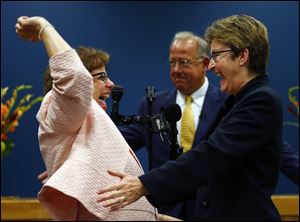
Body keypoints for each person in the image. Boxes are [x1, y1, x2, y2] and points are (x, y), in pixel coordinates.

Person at [97, 14, 284, 220]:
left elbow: (211, 155)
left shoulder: (260, 101)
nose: (212, 66)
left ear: (242, 56)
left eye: (217, 56)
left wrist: (144, 185)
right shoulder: (240, 100)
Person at [15, 16, 158, 221]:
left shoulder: (90, 125)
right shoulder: (59, 104)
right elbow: (74, 77)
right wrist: (43, 27)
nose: (111, 84)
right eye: (101, 77)